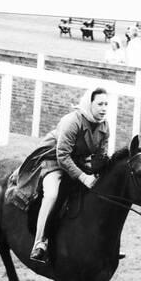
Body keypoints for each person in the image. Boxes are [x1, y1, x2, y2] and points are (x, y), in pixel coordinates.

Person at [18, 88, 110, 263]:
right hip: (54, 160)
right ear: (89, 104)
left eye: (106, 104)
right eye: (100, 104)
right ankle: (40, 243)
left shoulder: (105, 126)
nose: (104, 108)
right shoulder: (72, 121)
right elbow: (62, 156)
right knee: (52, 194)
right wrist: (83, 177)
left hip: (78, 162)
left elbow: (101, 156)